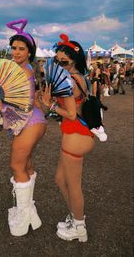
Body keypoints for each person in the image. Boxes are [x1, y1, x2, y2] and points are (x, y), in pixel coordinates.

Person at [0, 19, 47, 237]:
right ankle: (30, 213)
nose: (16, 52)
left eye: (21, 49)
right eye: (13, 48)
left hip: (30, 122)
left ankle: (23, 219)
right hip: (34, 121)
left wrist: (1, 106)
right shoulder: (23, 69)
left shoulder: (24, 72)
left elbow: (23, 105)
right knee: (26, 164)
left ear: (30, 51)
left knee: (16, 165)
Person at [42, 33, 95, 242]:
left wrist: (51, 105)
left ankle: (79, 227)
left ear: (73, 60)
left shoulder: (69, 80)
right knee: (59, 180)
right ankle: (75, 216)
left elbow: (72, 114)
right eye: (57, 59)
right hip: (78, 134)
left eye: (63, 60)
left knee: (73, 186)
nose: (58, 62)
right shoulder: (79, 77)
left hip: (75, 135)